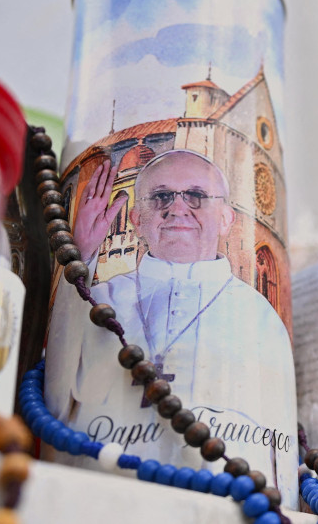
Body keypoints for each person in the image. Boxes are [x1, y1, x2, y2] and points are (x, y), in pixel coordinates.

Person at [44, 149, 297, 497]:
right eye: (161, 196)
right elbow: (55, 403)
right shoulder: (100, 300)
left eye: (196, 196)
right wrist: (81, 257)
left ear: (225, 219)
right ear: (137, 218)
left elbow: (278, 457)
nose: (177, 208)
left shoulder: (260, 318)